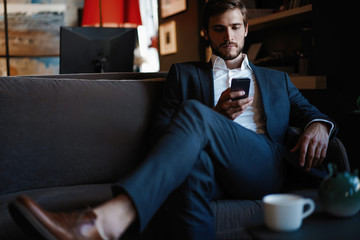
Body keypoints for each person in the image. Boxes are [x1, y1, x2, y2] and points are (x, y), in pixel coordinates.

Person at [9, 1, 335, 239]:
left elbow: (311, 112)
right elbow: (161, 135)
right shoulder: (184, 74)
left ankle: (108, 219)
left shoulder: (276, 80)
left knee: (194, 113)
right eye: (219, 28)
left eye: (235, 27)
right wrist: (216, 118)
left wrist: (318, 126)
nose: (228, 36)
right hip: (209, 168)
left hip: (263, 166)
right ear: (207, 33)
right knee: (191, 165)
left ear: (246, 29)